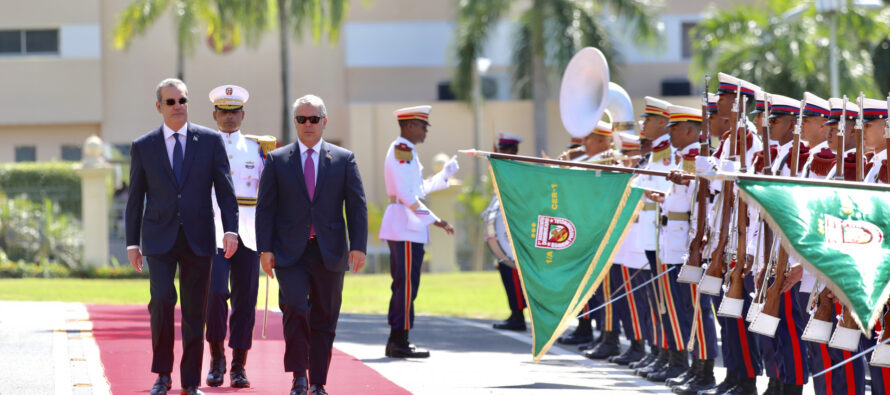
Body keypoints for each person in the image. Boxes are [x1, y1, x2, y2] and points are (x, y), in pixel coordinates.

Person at [126, 78, 240, 395]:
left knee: (194, 310)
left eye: (183, 100)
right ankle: (163, 375)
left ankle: (190, 381)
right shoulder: (143, 146)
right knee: (161, 301)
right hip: (159, 238)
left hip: (199, 237)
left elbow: (226, 192)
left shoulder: (210, 141)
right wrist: (132, 243)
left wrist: (231, 228)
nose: (179, 106)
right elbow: (135, 199)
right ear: (159, 106)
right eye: (172, 101)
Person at [256, 94, 367, 395]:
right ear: (295, 122)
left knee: (325, 316)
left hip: (329, 251)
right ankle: (299, 377)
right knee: (294, 307)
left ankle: (317, 381)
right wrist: (265, 249)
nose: (308, 124)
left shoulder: (344, 159)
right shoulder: (278, 160)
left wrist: (358, 245)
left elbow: (356, 207)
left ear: (324, 122)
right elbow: (265, 208)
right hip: (290, 251)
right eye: (302, 119)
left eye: (314, 119)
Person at [204, 85, 276, 388]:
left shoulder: (258, 149)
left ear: (243, 114)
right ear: (215, 114)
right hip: (214, 232)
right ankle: (217, 356)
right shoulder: (203, 146)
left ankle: (238, 364)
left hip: (249, 233)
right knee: (216, 293)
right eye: (224, 112)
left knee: (246, 300)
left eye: (235, 112)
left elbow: (270, 193)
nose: (229, 118)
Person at [379, 105, 459, 358]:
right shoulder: (402, 150)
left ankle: (399, 339)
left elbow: (419, 189)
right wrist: (436, 221)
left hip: (408, 225)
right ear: (409, 125)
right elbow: (406, 195)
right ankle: (398, 341)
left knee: (409, 285)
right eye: (423, 125)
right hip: (404, 224)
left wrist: (444, 176)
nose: (425, 131)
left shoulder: (408, 153)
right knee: (405, 286)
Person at [483, 131, 526, 331]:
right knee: (506, 272)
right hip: (502, 234)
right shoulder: (502, 171)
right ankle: (514, 313)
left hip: (513, 234)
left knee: (514, 274)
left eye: (503, 149)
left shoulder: (517, 171)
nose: (500, 152)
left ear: (512, 151)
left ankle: (518, 316)